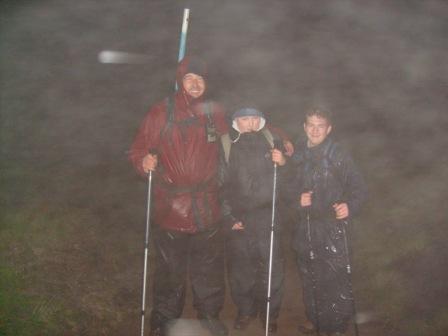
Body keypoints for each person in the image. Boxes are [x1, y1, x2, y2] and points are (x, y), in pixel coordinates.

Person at [129, 57, 229, 336]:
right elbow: (138, 149)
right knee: (170, 271)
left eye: (200, 79)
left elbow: (243, 134)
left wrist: (282, 139)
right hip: (171, 206)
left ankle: (209, 315)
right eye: (189, 79)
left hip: (207, 205)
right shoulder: (161, 111)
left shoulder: (214, 112)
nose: (196, 84)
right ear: (180, 81)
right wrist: (143, 162)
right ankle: (164, 321)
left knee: (208, 270)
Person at [289, 108, 367, 336]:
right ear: (304, 127)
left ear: (329, 128)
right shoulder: (298, 155)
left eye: (320, 125)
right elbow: (285, 190)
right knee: (310, 279)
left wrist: (349, 206)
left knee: (335, 281)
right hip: (305, 228)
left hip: (333, 229)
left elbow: (360, 188)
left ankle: (335, 329)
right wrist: (297, 199)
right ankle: (317, 321)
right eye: (310, 125)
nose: (314, 130)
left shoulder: (339, 155)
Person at [219, 107, 288, 334]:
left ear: (260, 121)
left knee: (272, 268)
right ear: (237, 121)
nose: (249, 124)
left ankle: (270, 313)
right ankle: (245, 310)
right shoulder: (227, 144)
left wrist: (284, 163)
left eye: (254, 119)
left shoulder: (272, 140)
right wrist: (228, 216)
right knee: (241, 269)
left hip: (269, 215)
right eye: (244, 119)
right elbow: (219, 185)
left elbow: (289, 182)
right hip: (240, 218)